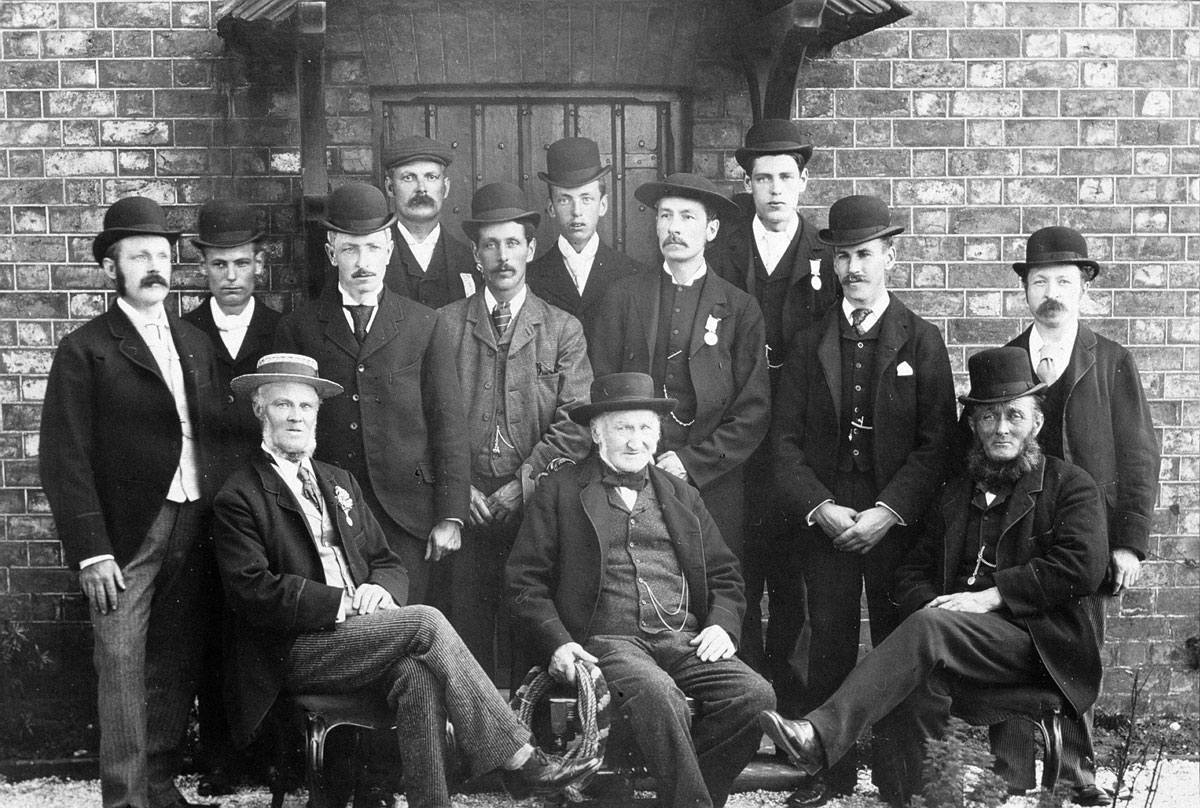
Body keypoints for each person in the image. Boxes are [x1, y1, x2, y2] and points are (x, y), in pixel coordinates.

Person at [212, 353, 600, 808]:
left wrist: (383, 589)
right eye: (283, 405)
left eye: (306, 406)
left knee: (417, 674)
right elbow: (252, 590)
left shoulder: (339, 481)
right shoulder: (239, 493)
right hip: (292, 649)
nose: (296, 417)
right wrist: (345, 602)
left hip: (358, 638)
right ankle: (519, 758)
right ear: (261, 411)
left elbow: (387, 560)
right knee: (426, 623)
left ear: (318, 413)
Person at [759, 347, 1109, 805]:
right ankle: (929, 799)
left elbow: (1082, 565)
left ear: (1037, 423)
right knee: (923, 667)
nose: (1001, 428)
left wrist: (990, 599)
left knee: (929, 632)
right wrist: (934, 608)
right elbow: (913, 571)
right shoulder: (955, 493)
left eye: (1014, 416)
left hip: (1039, 643)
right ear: (974, 426)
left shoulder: (1070, 485)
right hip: (958, 637)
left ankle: (818, 736)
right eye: (988, 418)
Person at [507, 372, 776, 808]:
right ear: (597, 433)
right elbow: (524, 581)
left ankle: (681, 796)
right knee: (658, 693)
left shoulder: (681, 494)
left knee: (755, 695)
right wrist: (557, 643)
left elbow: (726, 573)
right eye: (623, 428)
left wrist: (724, 626)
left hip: (682, 638)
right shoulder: (558, 492)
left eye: (646, 428)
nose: (637, 441)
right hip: (607, 642)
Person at [769, 195, 956, 804]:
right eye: (844, 255)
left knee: (898, 642)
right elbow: (785, 444)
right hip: (827, 518)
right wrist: (820, 508)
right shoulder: (807, 342)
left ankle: (900, 777)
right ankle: (830, 772)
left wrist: (889, 511)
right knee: (828, 637)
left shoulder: (922, 341)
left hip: (894, 522)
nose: (854, 267)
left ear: (890, 257)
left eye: (866, 254)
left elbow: (937, 445)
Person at [40, 196, 222, 808]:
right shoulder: (86, 349)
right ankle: (125, 797)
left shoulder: (194, 342)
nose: (154, 267)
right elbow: (64, 460)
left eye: (162, 256)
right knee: (120, 661)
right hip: (129, 531)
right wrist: (92, 552)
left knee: (175, 654)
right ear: (109, 269)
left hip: (195, 518)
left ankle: (161, 783)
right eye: (138, 255)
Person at [990, 226, 1161, 805]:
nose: (1052, 293)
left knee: (1077, 647)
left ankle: (1074, 777)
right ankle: (1010, 772)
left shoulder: (1110, 360)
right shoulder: (1008, 362)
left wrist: (1129, 543)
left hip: (1087, 535)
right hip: (1021, 527)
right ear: (1026, 291)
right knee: (1008, 640)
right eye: (1040, 281)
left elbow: (1138, 455)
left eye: (1064, 280)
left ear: (1084, 287)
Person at [274, 182, 470, 603]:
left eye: (373, 249)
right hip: (330, 514)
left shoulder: (423, 324)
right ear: (331, 255)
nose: (363, 263)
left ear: (389, 250)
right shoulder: (300, 328)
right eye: (350, 250)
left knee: (407, 633)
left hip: (409, 520)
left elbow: (447, 422)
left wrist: (450, 514)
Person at [708, 118, 839, 725]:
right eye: (763, 178)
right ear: (749, 184)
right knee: (738, 566)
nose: (775, 189)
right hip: (736, 433)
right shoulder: (723, 251)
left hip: (799, 441)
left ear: (803, 182)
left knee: (794, 577)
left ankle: (792, 696)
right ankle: (747, 691)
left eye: (786, 177)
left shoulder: (827, 256)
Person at [436, 182, 593, 679]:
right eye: (490, 245)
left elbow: (575, 421)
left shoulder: (562, 328)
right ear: (476, 254)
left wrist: (520, 486)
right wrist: (462, 492)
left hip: (536, 509)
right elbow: (429, 419)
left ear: (529, 249)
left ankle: (536, 747)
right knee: (467, 638)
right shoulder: (443, 325)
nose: (502, 257)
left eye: (512, 244)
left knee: (535, 635)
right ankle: (475, 747)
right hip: (468, 511)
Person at [588, 173, 771, 561]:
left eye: (688, 217)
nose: (674, 228)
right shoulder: (623, 297)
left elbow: (753, 412)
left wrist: (691, 462)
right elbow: (600, 384)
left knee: (714, 581)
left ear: (712, 230)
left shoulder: (739, 309)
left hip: (712, 481)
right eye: (665, 216)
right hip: (634, 470)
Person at [182, 199, 283, 796]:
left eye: (241, 264)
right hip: (205, 505)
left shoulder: (281, 331)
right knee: (214, 627)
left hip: (269, 502)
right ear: (204, 268)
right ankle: (221, 757)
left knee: (268, 626)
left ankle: (274, 754)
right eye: (219, 265)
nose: (230, 277)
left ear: (259, 265)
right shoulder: (184, 331)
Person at [526, 136, 645, 336]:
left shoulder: (632, 274)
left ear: (603, 205)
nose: (576, 211)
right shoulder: (530, 278)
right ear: (551, 208)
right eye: (565, 200)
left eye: (586, 199)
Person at [380, 134, 480, 308]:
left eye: (431, 177)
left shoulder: (469, 260)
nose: (421, 189)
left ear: (446, 187)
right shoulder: (372, 257)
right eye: (408, 178)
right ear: (390, 187)